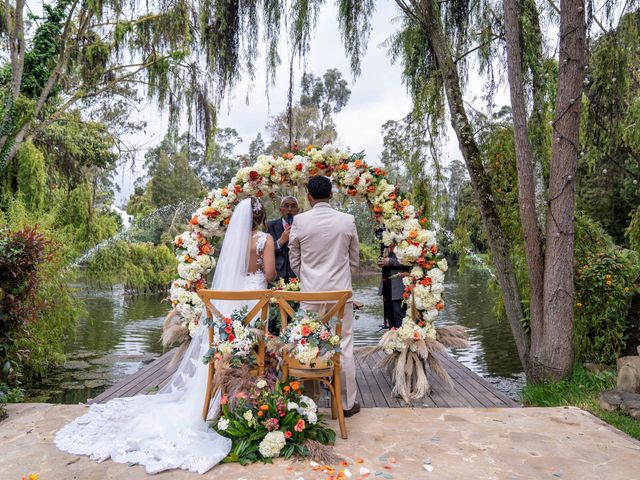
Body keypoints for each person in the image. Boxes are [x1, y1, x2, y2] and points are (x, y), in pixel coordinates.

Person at [55, 197, 276, 474]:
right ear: (262, 217)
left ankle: (215, 401)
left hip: (228, 305)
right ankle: (248, 402)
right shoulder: (265, 239)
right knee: (251, 346)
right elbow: (268, 273)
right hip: (254, 302)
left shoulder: (232, 242)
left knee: (224, 345)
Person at [288, 175, 361, 417]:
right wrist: (340, 274)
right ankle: (348, 404)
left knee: (307, 343)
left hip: (310, 293)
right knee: (345, 346)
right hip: (341, 293)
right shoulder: (347, 221)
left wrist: (306, 278)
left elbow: (294, 259)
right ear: (331, 195)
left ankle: (311, 402)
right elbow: (354, 259)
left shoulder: (299, 221)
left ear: (308, 196)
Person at [266, 196, 299, 283]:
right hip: (276, 277)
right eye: (286, 206)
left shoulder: (303, 227)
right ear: (281, 209)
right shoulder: (269, 226)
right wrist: (280, 242)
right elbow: (263, 252)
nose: (290, 209)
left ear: (298, 210)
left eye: (293, 206)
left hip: (297, 277)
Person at [377, 249, 409, 328]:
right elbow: (385, 261)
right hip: (387, 286)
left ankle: (402, 339)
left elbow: (409, 262)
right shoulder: (387, 245)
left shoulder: (407, 241)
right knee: (390, 316)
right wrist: (381, 261)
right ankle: (392, 337)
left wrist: (390, 261)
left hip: (400, 287)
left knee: (400, 317)